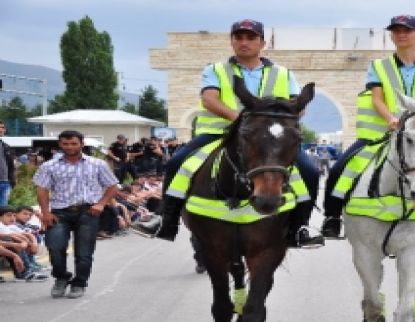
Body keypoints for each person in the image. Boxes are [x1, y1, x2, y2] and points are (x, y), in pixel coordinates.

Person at [132, 19, 323, 248]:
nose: (244, 42)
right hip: (217, 134)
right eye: (239, 37)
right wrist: (242, 121)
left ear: (263, 42)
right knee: (177, 162)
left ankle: (300, 228)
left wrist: (272, 124)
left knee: (310, 171)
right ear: (232, 41)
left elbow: (297, 107)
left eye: (251, 38)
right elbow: (209, 99)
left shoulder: (283, 73)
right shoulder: (216, 69)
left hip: (267, 140)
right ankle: (166, 219)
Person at [320, 14, 415, 239]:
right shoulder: (378, 66)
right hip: (380, 133)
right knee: (340, 168)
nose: (401, 34)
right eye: (396, 31)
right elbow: (377, 98)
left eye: (407, 30)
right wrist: (391, 119)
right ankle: (332, 217)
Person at [32, 130, 119, 298]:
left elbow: (112, 185)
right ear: (60, 144)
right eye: (65, 144)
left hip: (88, 212)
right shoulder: (49, 166)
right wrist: (45, 213)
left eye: (73, 143)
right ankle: (61, 277)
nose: (70, 147)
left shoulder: (97, 164)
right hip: (59, 213)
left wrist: (101, 204)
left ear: (82, 144)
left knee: (84, 253)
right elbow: (42, 190)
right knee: (55, 247)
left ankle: (79, 283)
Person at [0, 121, 16, 206]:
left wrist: (12, 180)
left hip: (5, 182)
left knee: (3, 211)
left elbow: (11, 166)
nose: (1, 130)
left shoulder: (6, 146)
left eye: (2, 127)